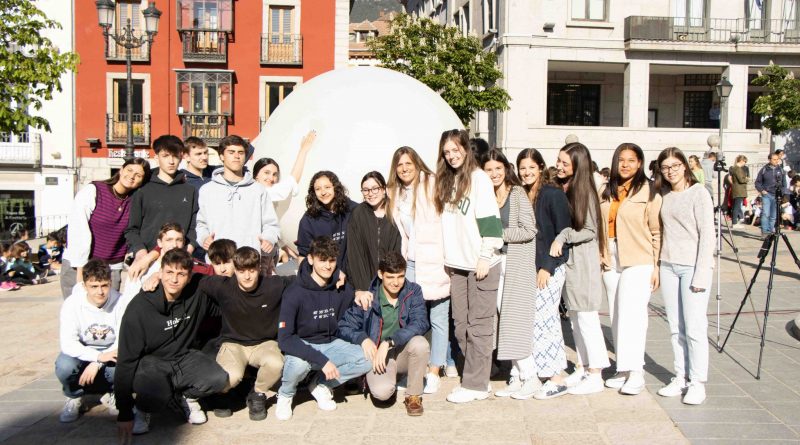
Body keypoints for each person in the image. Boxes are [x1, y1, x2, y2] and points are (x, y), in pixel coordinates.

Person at [115, 249, 229, 440]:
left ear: (189, 276)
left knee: (219, 378)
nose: (174, 279)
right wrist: (124, 413)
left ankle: (187, 397)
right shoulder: (139, 308)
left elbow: (224, 293)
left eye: (181, 274)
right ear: (160, 272)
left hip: (184, 357)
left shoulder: (196, 292)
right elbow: (125, 362)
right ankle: (143, 408)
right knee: (157, 394)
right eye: (169, 272)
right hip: (151, 362)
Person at [434, 129, 503, 404]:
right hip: (457, 265)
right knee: (461, 325)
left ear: (466, 148)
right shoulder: (447, 181)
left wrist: (486, 255)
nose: (451, 155)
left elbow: (490, 221)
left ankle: (476, 385)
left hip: (480, 264)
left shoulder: (478, 179)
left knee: (480, 326)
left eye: (455, 149)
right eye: (446, 152)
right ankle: (481, 372)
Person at [275, 236, 371, 420]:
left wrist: (359, 293)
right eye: (322, 260)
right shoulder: (294, 292)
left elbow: (348, 320)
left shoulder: (342, 287)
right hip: (302, 345)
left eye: (332, 260)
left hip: (331, 343)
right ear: (310, 259)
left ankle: (320, 384)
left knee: (368, 358)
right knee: (299, 364)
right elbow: (285, 339)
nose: (327, 266)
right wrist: (322, 360)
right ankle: (286, 394)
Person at [197, 247, 294, 421]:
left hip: (264, 342)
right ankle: (221, 395)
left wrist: (336, 276)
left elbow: (302, 280)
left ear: (258, 268)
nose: (247, 276)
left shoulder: (273, 285)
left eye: (251, 270)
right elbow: (194, 278)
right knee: (230, 377)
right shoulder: (223, 286)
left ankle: (258, 394)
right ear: (235, 269)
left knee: (276, 363)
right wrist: (157, 275)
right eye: (241, 271)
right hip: (233, 343)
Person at [386, 146, 454, 390]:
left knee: (438, 317)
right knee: (411, 316)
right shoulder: (395, 193)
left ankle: (435, 369)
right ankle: (413, 367)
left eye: (408, 164)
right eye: (400, 164)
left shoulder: (432, 183)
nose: (404, 168)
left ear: (417, 164)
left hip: (436, 259)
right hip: (412, 262)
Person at [598, 143, 661, 396]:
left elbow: (657, 231)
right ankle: (623, 367)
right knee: (615, 313)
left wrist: (656, 265)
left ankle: (637, 371)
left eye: (631, 160)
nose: (625, 165)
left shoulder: (649, 191)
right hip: (611, 256)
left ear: (640, 163)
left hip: (639, 257)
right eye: (621, 160)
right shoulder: (607, 190)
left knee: (633, 314)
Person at [653, 146, 714, 405]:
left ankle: (697, 381)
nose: (671, 171)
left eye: (675, 166)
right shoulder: (663, 194)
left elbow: (707, 236)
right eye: (666, 167)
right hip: (668, 264)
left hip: (692, 267)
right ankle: (681, 375)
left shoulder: (699, 193)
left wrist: (701, 274)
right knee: (676, 327)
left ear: (685, 166)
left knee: (695, 327)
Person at [550, 142, 610, 396]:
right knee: (575, 320)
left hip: (582, 264)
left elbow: (589, 230)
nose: (559, 166)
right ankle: (584, 367)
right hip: (571, 264)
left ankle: (596, 373)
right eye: (559, 161)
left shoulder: (583, 189)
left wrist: (562, 236)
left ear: (578, 164)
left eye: (565, 162)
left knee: (586, 319)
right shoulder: (566, 186)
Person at [338, 251, 430, 415]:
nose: (396, 282)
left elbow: (420, 323)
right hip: (379, 357)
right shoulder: (368, 297)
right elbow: (344, 326)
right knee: (382, 393)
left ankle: (413, 395)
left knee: (420, 344)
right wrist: (363, 339)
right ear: (380, 274)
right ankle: (384, 379)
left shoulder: (413, 291)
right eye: (390, 277)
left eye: (400, 276)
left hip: (401, 350)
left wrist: (389, 341)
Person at [480, 149, 539, 399]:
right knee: (503, 319)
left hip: (516, 264)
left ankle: (531, 376)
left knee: (514, 320)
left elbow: (530, 229)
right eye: (488, 169)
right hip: (494, 263)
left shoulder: (517, 194)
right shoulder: (484, 195)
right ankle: (516, 375)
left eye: (497, 168)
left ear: (505, 169)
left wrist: (499, 234)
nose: (494, 174)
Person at [514, 149, 571, 399]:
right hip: (531, 268)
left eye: (530, 167)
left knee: (546, 322)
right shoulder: (524, 194)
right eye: (522, 168)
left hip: (550, 268)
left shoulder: (552, 194)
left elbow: (564, 234)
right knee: (537, 323)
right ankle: (543, 372)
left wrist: (548, 266)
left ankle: (556, 377)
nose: (526, 172)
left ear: (540, 167)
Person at [62, 157, 150, 297]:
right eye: (129, 170)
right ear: (121, 170)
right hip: (81, 265)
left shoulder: (135, 201)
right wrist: (80, 271)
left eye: (138, 175)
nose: (132, 176)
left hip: (111, 267)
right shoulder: (94, 191)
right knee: (77, 313)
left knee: (107, 316)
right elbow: (78, 230)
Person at [56, 259, 124, 423]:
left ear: (110, 283)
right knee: (64, 366)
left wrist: (98, 362)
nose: (100, 292)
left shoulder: (121, 302)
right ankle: (74, 395)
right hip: (83, 349)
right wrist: (97, 357)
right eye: (94, 286)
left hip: (112, 350)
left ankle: (114, 393)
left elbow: (124, 338)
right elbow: (68, 343)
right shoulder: (72, 304)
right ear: (85, 286)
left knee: (123, 368)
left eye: (104, 285)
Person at [196, 134, 281, 259]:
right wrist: (204, 238)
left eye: (240, 152)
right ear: (221, 156)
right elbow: (201, 224)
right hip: (219, 262)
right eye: (231, 152)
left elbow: (271, 224)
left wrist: (269, 239)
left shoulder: (258, 190)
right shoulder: (207, 190)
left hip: (249, 262)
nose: (236, 156)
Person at [125, 135, 199, 274]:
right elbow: (132, 229)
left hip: (179, 262)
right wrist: (141, 254)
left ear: (181, 157)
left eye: (175, 156)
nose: (171, 161)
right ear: (156, 157)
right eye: (165, 156)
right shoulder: (142, 190)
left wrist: (187, 251)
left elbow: (193, 228)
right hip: (147, 262)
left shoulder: (190, 191)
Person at [347, 171, 401, 310]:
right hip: (366, 284)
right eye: (366, 190)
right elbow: (355, 254)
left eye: (375, 188)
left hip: (391, 281)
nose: (370, 193)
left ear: (383, 189)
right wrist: (361, 287)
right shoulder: (358, 214)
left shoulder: (395, 211)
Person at [296, 171, 357, 265]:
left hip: (353, 274)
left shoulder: (353, 210)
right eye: (318, 189)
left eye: (327, 187)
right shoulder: (308, 220)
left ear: (335, 188)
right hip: (325, 276)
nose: (323, 192)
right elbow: (303, 255)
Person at [253, 130, 316, 203]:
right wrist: (303, 151)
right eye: (266, 172)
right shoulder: (257, 193)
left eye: (275, 174)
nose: (271, 178)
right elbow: (292, 181)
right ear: (256, 175)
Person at [755, 152, 788, 236]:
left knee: (774, 215)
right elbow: (758, 182)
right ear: (769, 160)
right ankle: (765, 232)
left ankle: (770, 231)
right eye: (774, 159)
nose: (776, 161)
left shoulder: (781, 170)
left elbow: (784, 184)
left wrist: (782, 192)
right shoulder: (764, 170)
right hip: (767, 194)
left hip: (777, 195)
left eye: (777, 159)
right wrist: (762, 190)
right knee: (765, 213)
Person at [729, 155, 749, 226]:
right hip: (739, 190)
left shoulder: (734, 168)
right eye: (745, 162)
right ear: (741, 161)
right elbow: (741, 179)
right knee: (737, 207)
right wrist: (746, 179)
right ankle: (734, 222)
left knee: (735, 206)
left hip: (737, 189)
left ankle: (734, 222)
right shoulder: (738, 169)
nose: (745, 163)